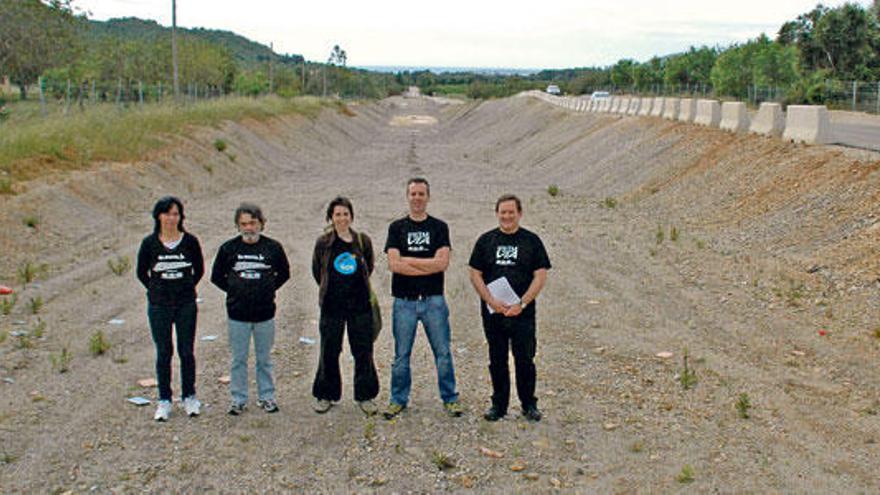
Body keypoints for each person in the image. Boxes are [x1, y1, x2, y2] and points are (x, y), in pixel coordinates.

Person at [383, 178, 463, 419]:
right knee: (401, 355)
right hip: (404, 301)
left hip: (433, 301)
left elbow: (442, 264)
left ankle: (450, 398)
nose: (417, 198)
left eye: (421, 194)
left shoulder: (439, 227)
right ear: (407, 196)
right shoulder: (396, 228)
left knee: (443, 352)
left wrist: (409, 260)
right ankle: (398, 399)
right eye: (413, 193)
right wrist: (426, 264)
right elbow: (394, 265)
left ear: (428, 197)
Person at [468, 194, 551, 422]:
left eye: (511, 212)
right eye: (502, 212)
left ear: (519, 213)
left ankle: (528, 404)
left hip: (522, 313)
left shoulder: (531, 241)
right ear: (497, 214)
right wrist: (490, 300)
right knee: (497, 359)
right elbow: (475, 273)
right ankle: (499, 405)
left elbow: (540, 274)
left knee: (525, 359)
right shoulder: (486, 241)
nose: (506, 216)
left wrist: (522, 302)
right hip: (494, 312)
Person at [211, 203, 290, 415]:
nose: (249, 228)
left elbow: (284, 273)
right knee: (238, 359)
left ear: (261, 224)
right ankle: (238, 399)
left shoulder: (273, 247)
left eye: (253, 223)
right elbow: (216, 276)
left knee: (264, 359)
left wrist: (267, 288)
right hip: (237, 314)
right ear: (238, 226)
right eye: (244, 224)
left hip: (265, 314)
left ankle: (267, 396)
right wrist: (235, 290)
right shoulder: (228, 249)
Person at [136, 196, 205, 422]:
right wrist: (157, 289)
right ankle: (164, 399)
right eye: (167, 214)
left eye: (175, 214)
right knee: (164, 352)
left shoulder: (190, 242)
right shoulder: (149, 244)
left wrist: (185, 287)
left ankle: (189, 395)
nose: (171, 218)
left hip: (185, 304)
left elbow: (199, 269)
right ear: (158, 216)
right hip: (159, 305)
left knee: (187, 351)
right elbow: (141, 273)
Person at [310, 197, 380, 416]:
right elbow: (317, 271)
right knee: (329, 350)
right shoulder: (323, 242)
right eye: (337, 214)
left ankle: (365, 396)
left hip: (360, 306)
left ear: (351, 216)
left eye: (345, 214)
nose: (342, 218)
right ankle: (326, 394)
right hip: (332, 307)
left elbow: (369, 266)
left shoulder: (362, 241)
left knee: (363, 351)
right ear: (331, 217)